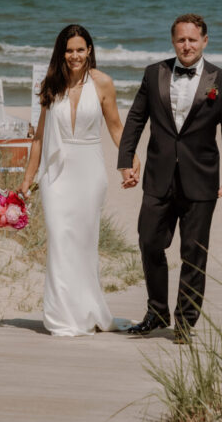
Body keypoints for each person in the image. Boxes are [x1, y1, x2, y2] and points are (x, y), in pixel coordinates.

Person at [117, 13, 222, 344]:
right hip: (158, 176)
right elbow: (136, 118)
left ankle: (185, 322)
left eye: (192, 39)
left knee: (193, 253)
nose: (187, 45)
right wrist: (125, 160)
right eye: (181, 40)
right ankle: (157, 312)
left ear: (204, 41)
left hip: (201, 179)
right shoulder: (153, 73)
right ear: (173, 41)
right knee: (149, 241)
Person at [18, 24, 139, 337]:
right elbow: (39, 136)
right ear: (62, 53)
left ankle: (86, 312)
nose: (75, 56)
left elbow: (115, 127)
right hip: (55, 173)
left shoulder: (103, 83)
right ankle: (61, 318)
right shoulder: (50, 85)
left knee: (84, 243)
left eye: (80, 50)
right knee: (60, 239)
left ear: (89, 51)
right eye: (69, 50)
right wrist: (28, 178)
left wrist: (129, 161)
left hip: (89, 171)